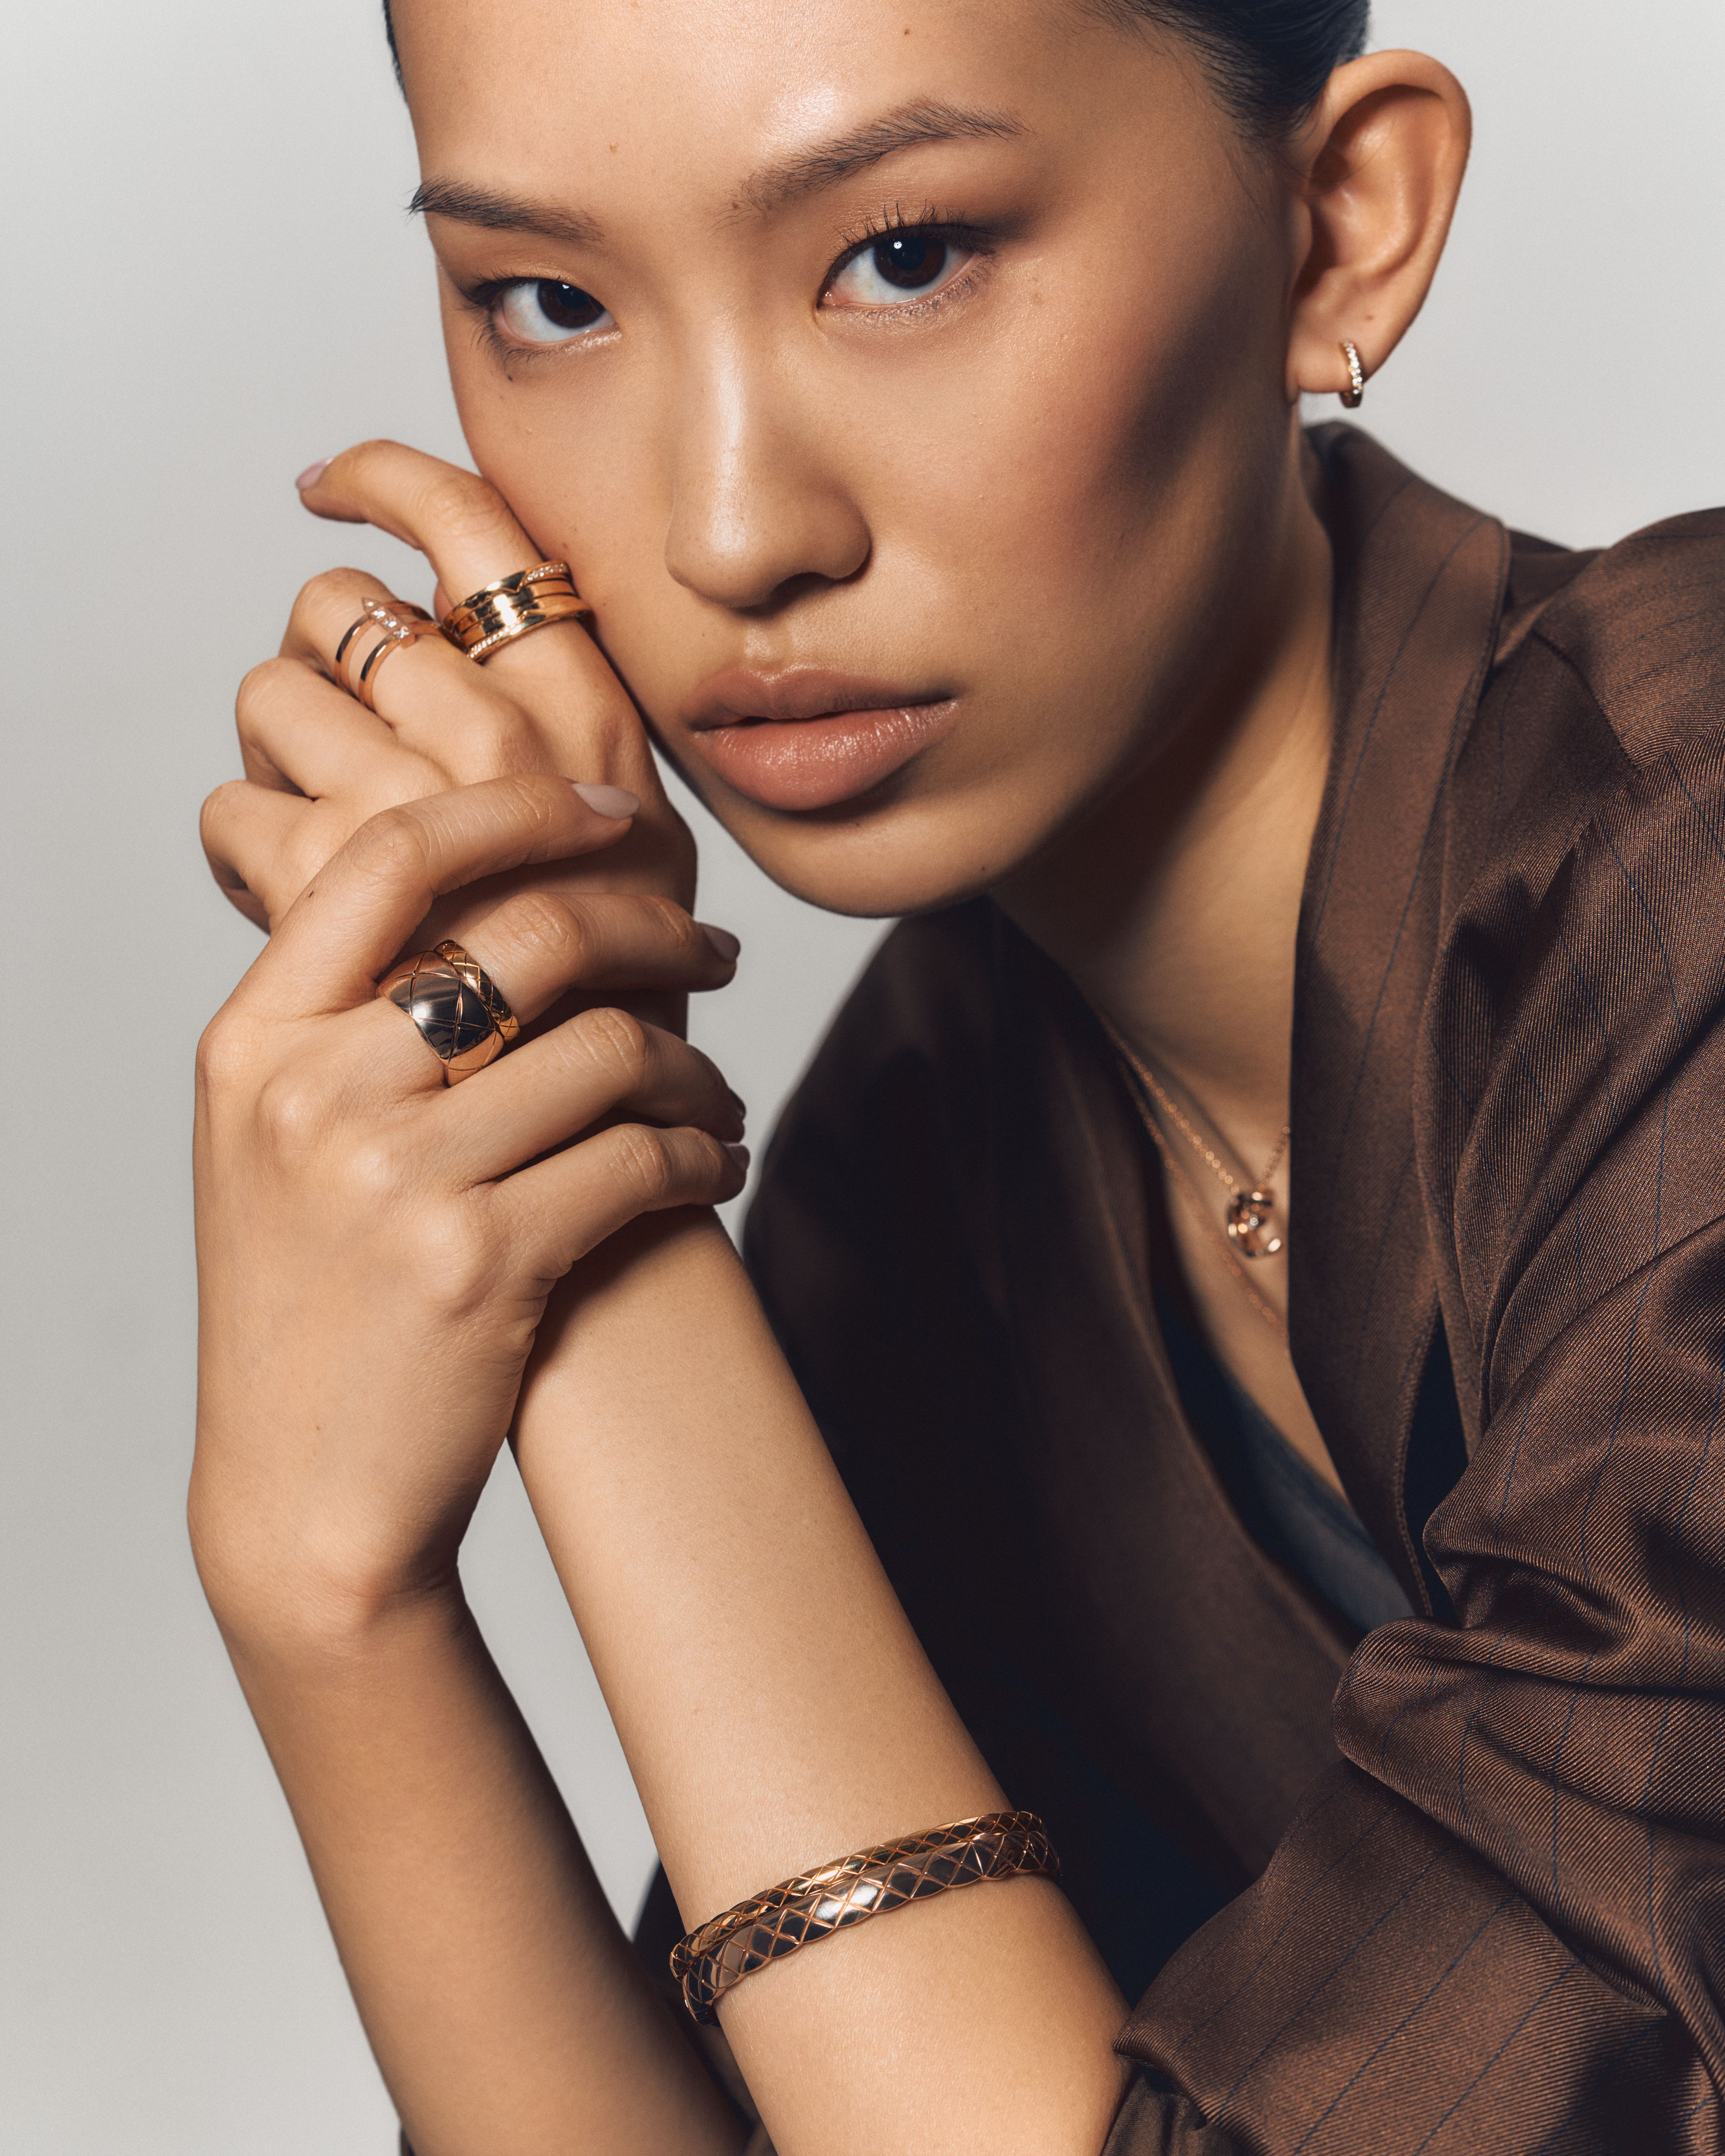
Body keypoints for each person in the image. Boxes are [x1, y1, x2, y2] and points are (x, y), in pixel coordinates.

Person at [189, 0, 1725, 2148]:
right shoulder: (924, 1167)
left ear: (1344, 225)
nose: (730, 532)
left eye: (903, 254)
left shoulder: (1689, 868)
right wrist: (321, 1599)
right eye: (547, 301)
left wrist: (591, 1195)